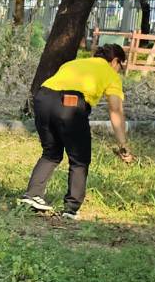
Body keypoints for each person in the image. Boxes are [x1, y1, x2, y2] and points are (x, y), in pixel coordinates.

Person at [20, 44, 134, 217]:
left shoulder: (74, 63)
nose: (119, 71)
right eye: (120, 67)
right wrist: (123, 144)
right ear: (115, 61)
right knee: (79, 158)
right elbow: (115, 110)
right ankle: (71, 208)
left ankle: (33, 194)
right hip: (70, 103)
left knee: (51, 152)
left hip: (42, 99)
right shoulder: (110, 73)